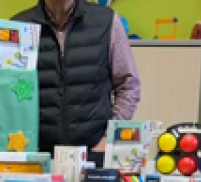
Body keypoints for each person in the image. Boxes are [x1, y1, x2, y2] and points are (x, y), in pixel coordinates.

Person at [12, 0, 141, 153]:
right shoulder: (19, 26)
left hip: (94, 152)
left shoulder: (106, 21)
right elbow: (8, 93)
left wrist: (108, 138)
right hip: (37, 155)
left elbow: (128, 85)